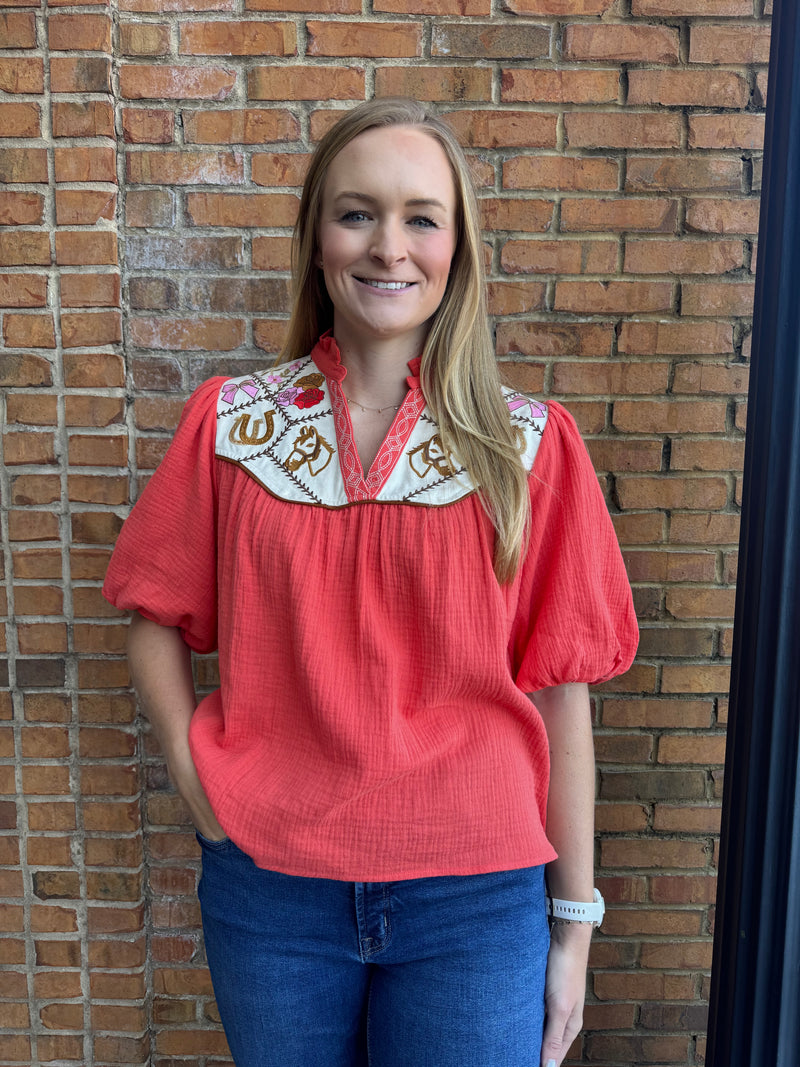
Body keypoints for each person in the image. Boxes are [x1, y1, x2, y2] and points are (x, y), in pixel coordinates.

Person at [103, 97, 638, 1067]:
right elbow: (152, 608)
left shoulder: (526, 443)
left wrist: (573, 924)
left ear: (456, 247)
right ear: (315, 237)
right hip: (270, 884)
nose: (388, 245)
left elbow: (562, 689)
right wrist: (195, 775)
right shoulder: (234, 424)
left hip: (476, 895)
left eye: (420, 217)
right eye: (356, 212)